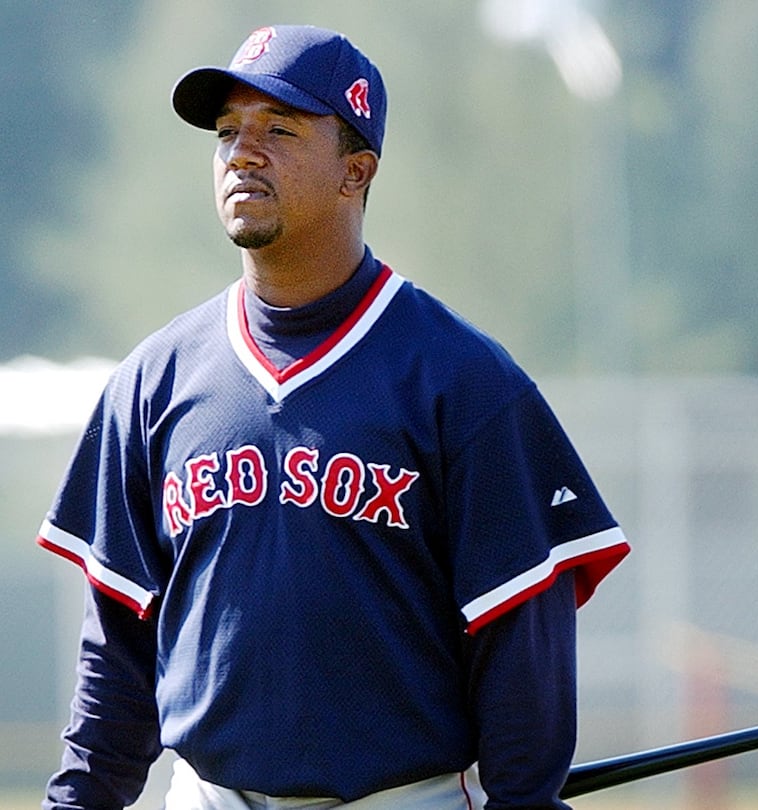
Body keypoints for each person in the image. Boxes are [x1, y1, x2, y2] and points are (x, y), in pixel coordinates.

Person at [36, 24, 631, 809]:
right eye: (227, 133)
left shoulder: (463, 379)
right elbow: (117, 651)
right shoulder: (153, 380)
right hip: (210, 797)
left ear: (357, 170)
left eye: (279, 130)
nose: (242, 154)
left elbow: (524, 650)